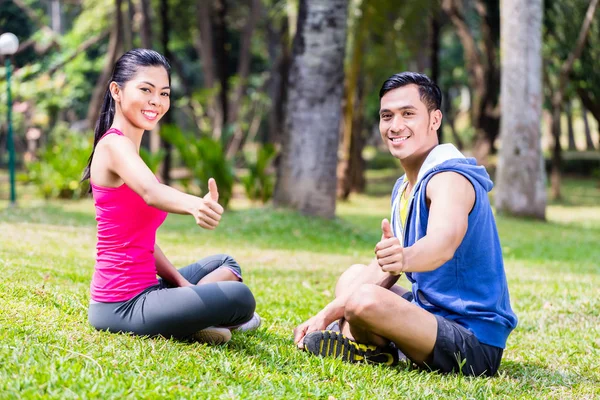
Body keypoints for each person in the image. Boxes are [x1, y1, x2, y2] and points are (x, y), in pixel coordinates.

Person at [293, 72, 517, 376]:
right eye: (387, 116)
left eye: (408, 114)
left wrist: (404, 258)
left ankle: (368, 343)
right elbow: (384, 269)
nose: (395, 126)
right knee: (354, 278)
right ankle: (377, 352)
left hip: (473, 343)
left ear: (435, 120)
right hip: (429, 316)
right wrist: (325, 314)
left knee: (363, 300)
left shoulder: (449, 178)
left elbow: (443, 243)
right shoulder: (406, 186)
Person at [83, 48, 259, 345]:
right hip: (120, 305)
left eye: (164, 93)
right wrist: (195, 205)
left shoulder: (130, 152)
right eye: (146, 90)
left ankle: (191, 319)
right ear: (117, 91)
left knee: (226, 262)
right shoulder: (114, 146)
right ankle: (192, 322)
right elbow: (152, 194)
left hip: (150, 288)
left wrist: (179, 283)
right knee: (241, 298)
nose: (156, 101)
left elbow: (142, 239)